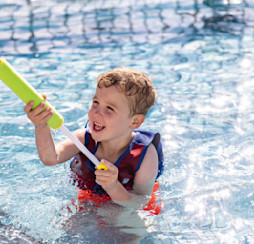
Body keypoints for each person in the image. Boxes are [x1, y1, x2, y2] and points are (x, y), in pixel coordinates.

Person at [24, 67, 163, 209]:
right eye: (95, 102)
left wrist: (113, 187)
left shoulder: (145, 154)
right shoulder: (84, 138)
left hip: (128, 209)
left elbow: (140, 202)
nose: (96, 112)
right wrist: (41, 126)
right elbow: (51, 158)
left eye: (110, 108)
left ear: (134, 122)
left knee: (118, 219)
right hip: (89, 200)